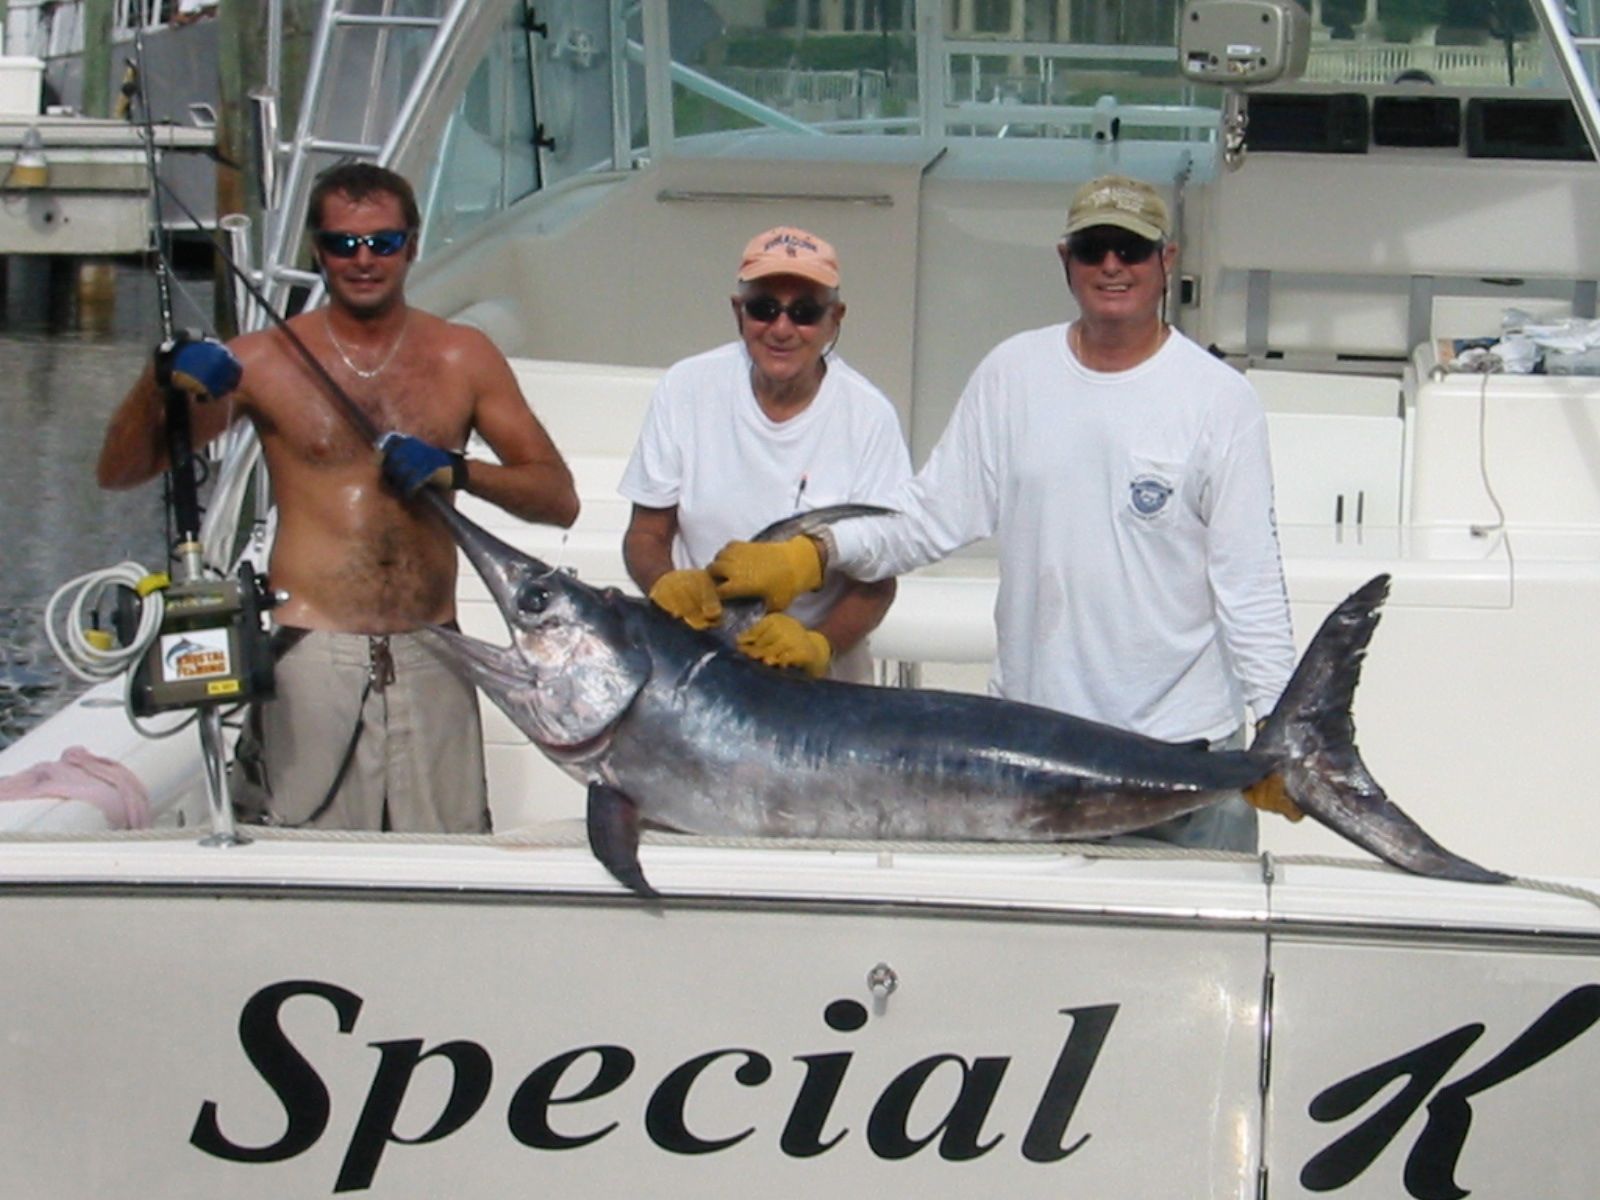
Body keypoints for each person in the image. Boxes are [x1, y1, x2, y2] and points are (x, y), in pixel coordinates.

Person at [709, 176, 1299, 850]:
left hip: (1184, 756)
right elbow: (926, 519)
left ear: (1166, 261)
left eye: (1131, 250)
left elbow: (1248, 588)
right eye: (1094, 247)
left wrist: (1280, 731)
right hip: (1033, 761)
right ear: (1065, 259)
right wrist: (813, 552)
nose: (1112, 265)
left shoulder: (1221, 400)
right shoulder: (1012, 374)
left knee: (1205, 962)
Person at [96, 162, 578, 833]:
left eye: (382, 242)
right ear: (315, 250)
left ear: (411, 244)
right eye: (341, 243)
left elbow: (558, 497)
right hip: (310, 652)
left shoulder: (464, 357)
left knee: (449, 873)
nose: (362, 259)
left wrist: (457, 470)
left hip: (433, 650)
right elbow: (120, 471)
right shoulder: (260, 361)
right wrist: (158, 381)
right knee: (306, 861)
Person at [619, 225, 911, 683]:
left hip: (820, 674)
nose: (781, 328)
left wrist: (819, 646)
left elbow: (878, 582)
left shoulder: (870, 417)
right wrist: (664, 584)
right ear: (738, 312)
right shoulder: (685, 387)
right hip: (698, 663)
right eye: (764, 308)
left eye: (805, 312)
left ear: (836, 319)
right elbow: (645, 534)